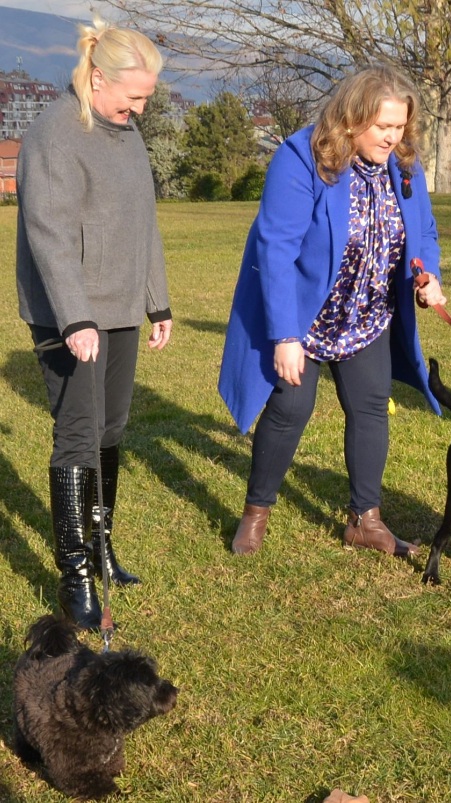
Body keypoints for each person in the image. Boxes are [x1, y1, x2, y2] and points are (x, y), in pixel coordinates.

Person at [219, 66, 446, 558]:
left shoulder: (404, 165)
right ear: (350, 119)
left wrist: (429, 276)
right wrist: (284, 336)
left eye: (400, 126)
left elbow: (423, 229)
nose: (394, 136)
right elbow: (275, 249)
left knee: (369, 408)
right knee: (289, 409)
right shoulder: (302, 158)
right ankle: (256, 513)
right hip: (306, 315)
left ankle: (366, 520)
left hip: (368, 313)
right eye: (383, 126)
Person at [16, 18, 172, 629]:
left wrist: (155, 301)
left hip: (118, 308)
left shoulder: (125, 132)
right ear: (98, 76)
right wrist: (75, 318)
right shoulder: (55, 132)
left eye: (148, 98)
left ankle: (103, 546)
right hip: (69, 311)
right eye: (134, 96)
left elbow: (144, 222)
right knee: (78, 434)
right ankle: (75, 574)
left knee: (111, 429)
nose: (140, 108)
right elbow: (48, 235)